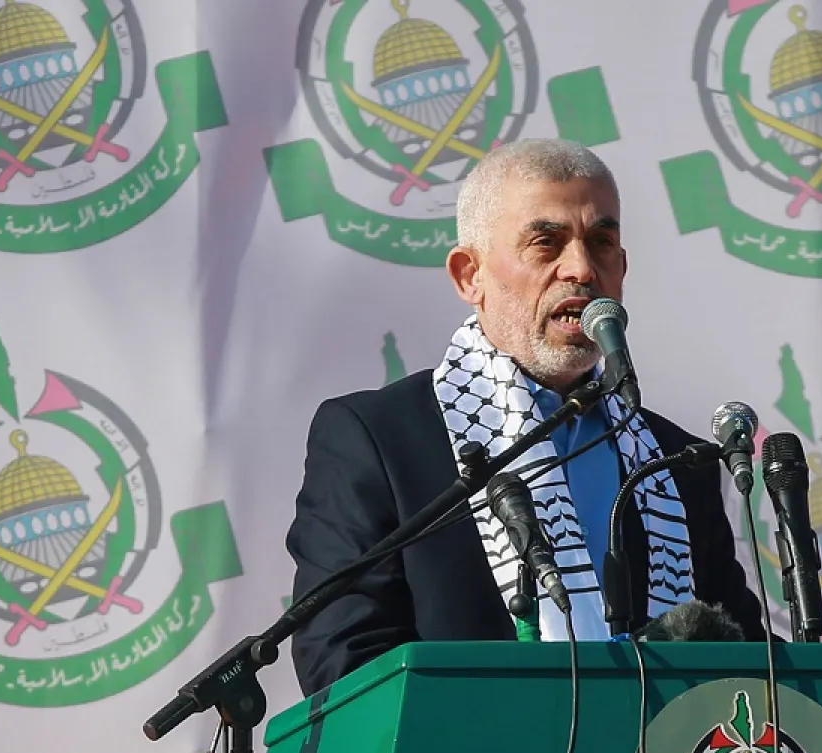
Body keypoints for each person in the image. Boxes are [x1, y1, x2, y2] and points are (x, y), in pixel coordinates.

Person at [285, 138, 768, 698]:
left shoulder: (674, 459)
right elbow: (344, 660)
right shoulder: (381, 439)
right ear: (471, 276)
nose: (582, 270)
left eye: (602, 242)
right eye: (547, 243)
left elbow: (746, 668)